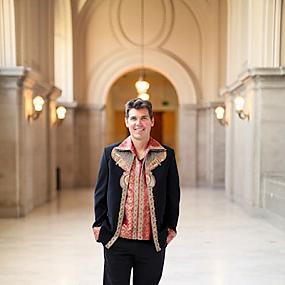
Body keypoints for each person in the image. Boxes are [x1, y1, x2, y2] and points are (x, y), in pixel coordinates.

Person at [92, 98, 180, 285]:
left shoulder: (166, 155)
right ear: (126, 121)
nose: (138, 123)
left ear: (152, 121)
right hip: (116, 240)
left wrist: (171, 226)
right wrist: (99, 225)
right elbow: (100, 193)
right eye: (133, 118)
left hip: (153, 242)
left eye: (143, 118)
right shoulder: (111, 154)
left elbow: (173, 195)